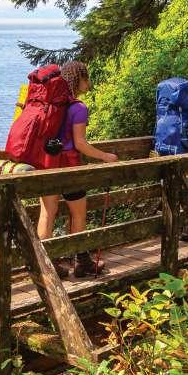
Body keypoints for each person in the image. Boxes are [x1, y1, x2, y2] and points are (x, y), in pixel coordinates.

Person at [38, 61, 117, 277]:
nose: (88, 84)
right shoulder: (78, 108)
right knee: (78, 214)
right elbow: (80, 143)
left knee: (47, 214)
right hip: (70, 167)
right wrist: (105, 156)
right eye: (86, 78)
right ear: (78, 79)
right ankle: (81, 262)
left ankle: (45, 266)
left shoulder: (50, 104)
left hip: (48, 164)